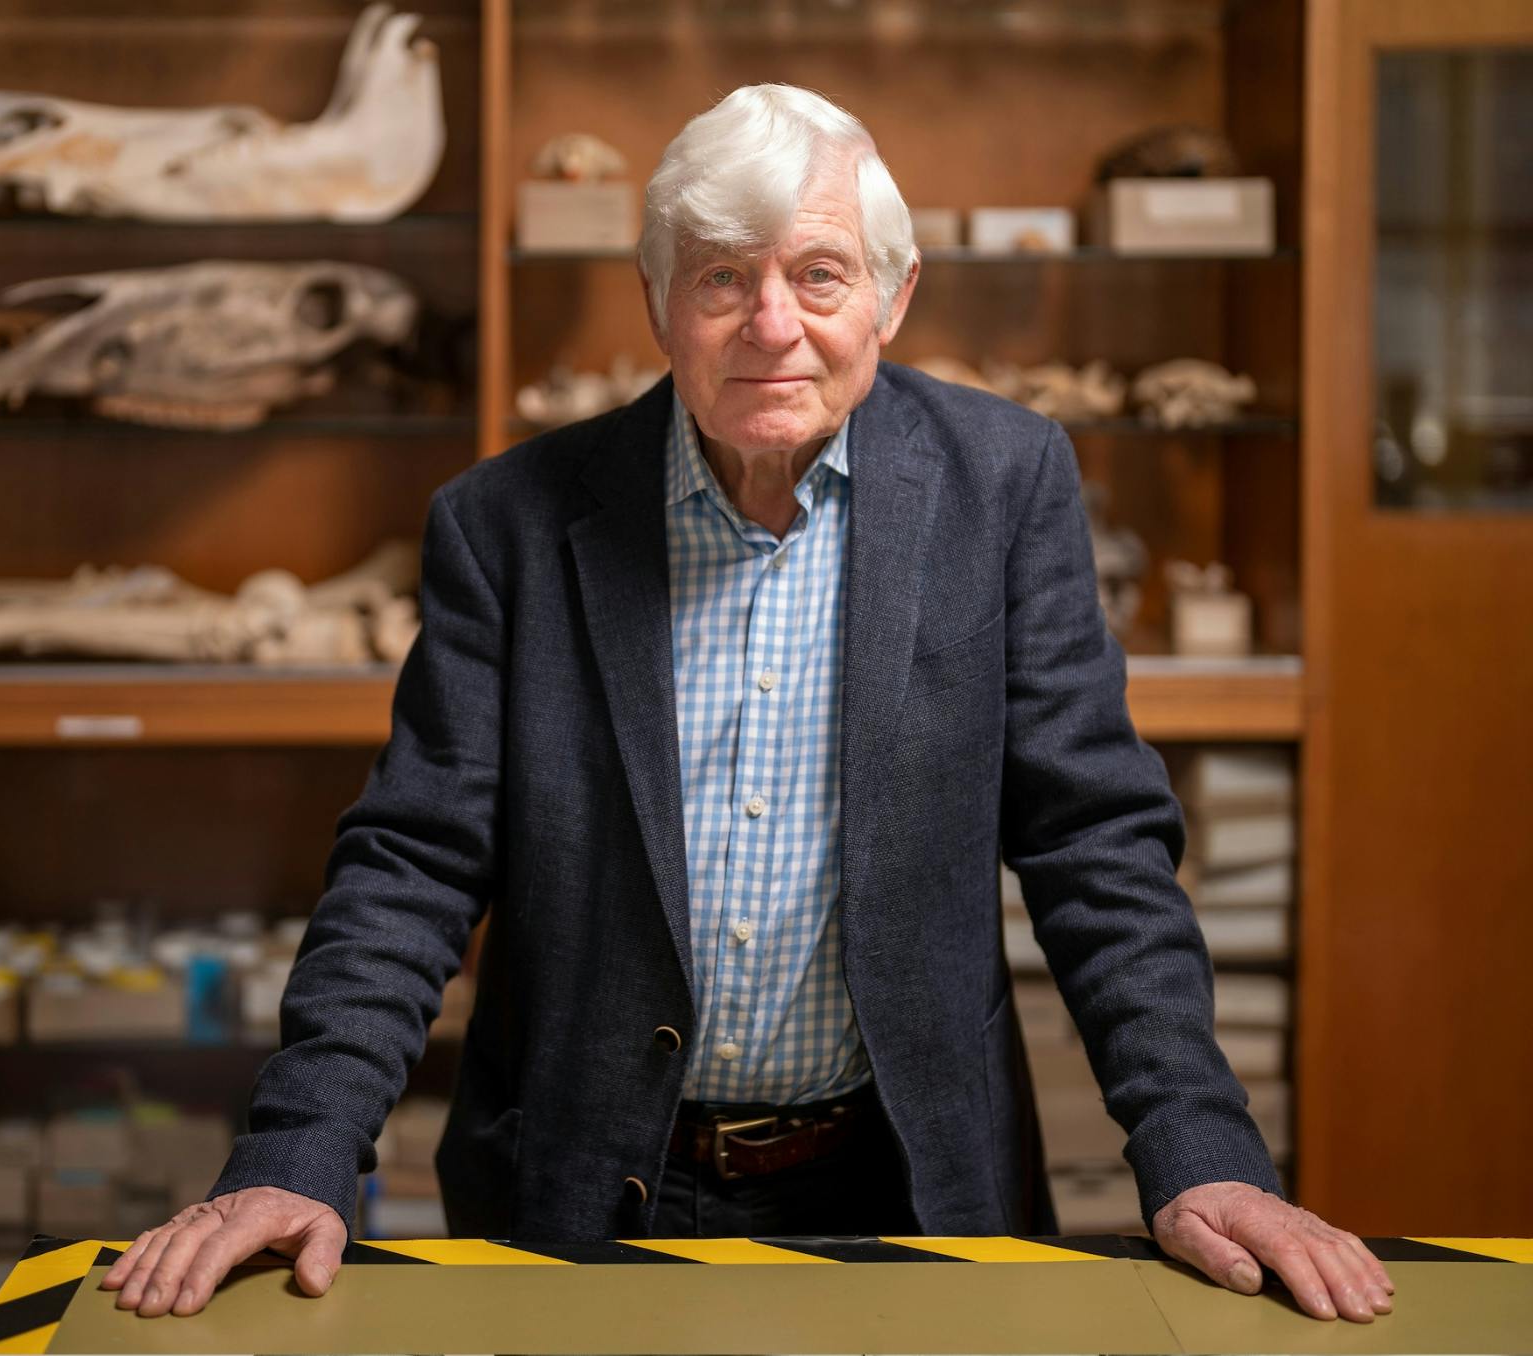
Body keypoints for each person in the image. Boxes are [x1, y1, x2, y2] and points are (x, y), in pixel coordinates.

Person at [101, 84, 1393, 1325]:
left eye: (819, 275)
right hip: (583, 1187)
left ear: (892, 297)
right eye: (722, 276)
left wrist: (1198, 1146)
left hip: (911, 1174)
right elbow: (414, 861)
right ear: (659, 302)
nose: (772, 323)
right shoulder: (506, 523)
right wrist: (299, 1150)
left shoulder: (1005, 486)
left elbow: (1092, 841)